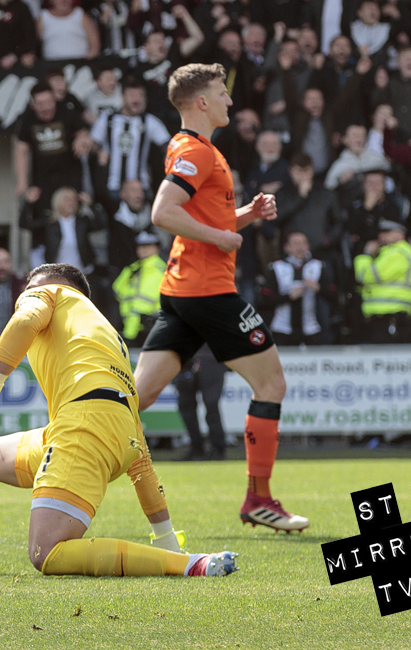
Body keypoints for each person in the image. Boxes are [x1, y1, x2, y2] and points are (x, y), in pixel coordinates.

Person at [0, 263, 237, 578]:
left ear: (52, 284)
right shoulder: (106, 335)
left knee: (46, 553)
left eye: (30, 286)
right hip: (106, 432)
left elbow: (24, 321)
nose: (24, 293)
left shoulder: (50, 293)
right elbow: (137, 451)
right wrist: (164, 535)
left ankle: (186, 566)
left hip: (81, 428)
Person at [135, 63, 309, 533]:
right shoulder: (197, 151)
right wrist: (219, 235)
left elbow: (197, 218)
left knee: (137, 396)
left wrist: (246, 215)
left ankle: (52, 448)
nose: (230, 100)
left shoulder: (192, 148)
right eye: (222, 92)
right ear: (202, 102)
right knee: (271, 386)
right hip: (209, 293)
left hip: (181, 292)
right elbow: (163, 212)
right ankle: (259, 498)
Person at [257, 231, 334, 347]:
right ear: (287, 248)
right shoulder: (276, 267)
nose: (300, 248)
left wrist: (318, 288)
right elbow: (264, 300)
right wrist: (288, 297)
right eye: (296, 244)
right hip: (282, 329)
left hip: (311, 329)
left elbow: (334, 296)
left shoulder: (318, 266)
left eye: (303, 243)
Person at [353, 219, 411, 343]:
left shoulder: (399, 252)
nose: (381, 235)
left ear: (400, 234)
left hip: (391, 316)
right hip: (383, 317)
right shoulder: (385, 253)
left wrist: (366, 255)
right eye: (381, 232)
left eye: (387, 232)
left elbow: (365, 276)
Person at [173, 344, 227, 462]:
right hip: (186, 359)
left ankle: (217, 448)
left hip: (211, 358)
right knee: (186, 405)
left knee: (211, 404)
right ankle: (196, 447)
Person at [111, 231, 165, 347]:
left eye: (148, 246)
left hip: (144, 330)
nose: (143, 250)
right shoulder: (134, 268)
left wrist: (128, 335)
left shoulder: (156, 270)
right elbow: (117, 290)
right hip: (129, 327)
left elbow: (140, 308)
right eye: (140, 246)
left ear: (157, 248)